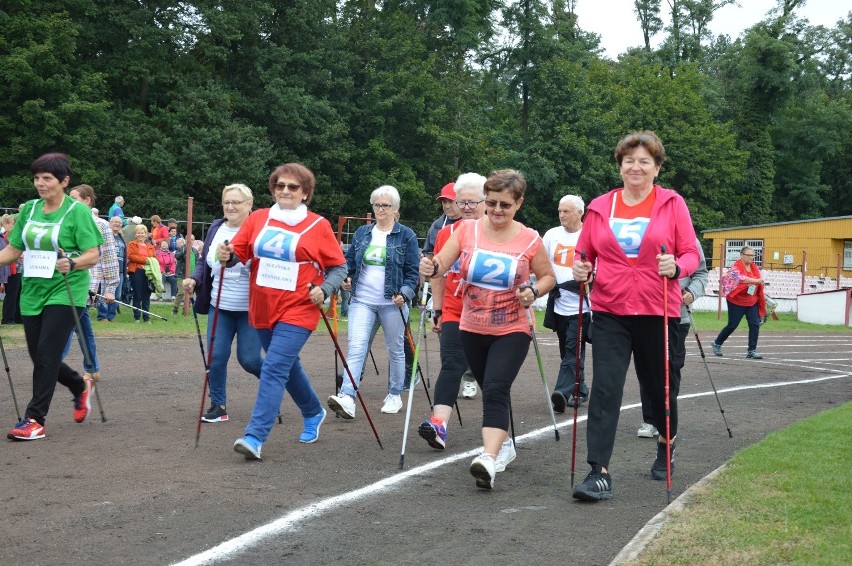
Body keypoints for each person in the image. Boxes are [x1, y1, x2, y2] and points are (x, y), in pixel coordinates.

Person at [570, 131, 700, 501]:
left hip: (657, 309)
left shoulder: (672, 204)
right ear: (620, 165)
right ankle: (599, 471)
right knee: (606, 388)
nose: (636, 167)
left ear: (657, 168)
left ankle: (665, 439)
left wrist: (675, 266)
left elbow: (691, 253)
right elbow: (585, 254)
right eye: (630, 160)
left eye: (645, 161)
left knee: (657, 390)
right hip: (610, 309)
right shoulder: (599, 207)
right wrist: (583, 270)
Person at [420, 169, 556, 489]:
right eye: (492, 203)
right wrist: (432, 266)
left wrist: (534, 292)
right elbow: (441, 261)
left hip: (512, 328)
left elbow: (548, 276)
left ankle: (488, 459)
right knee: (491, 389)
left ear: (518, 203)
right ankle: (504, 445)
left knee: (495, 387)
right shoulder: (468, 230)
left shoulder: (530, 239)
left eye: (504, 205)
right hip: (471, 326)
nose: (496, 211)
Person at [220, 163, 347, 460]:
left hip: (300, 307)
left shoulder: (318, 225)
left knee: (275, 366)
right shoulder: (259, 218)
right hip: (262, 304)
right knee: (288, 366)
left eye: (293, 187)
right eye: (280, 186)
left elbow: (338, 266)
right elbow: (238, 254)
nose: (285, 191)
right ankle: (313, 412)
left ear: (305, 193)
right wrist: (227, 255)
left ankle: (255, 436)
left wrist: (325, 289)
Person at [0, 153, 102, 441]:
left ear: (64, 181)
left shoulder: (77, 212)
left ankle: (34, 419)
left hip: (66, 290)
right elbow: (14, 250)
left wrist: (72, 263)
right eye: (37, 178)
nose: (40, 184)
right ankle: (79, 387)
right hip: (33, 290)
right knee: (39, 355)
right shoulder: (30, 210)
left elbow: (93, 254)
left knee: (47, 353)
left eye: (47, 178)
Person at [327, 185, 420, 418]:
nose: (381, 209)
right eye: (377, 205)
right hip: (362, 300)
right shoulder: (362, 233)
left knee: (396, 349)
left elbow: (413, 272)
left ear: (395, 209)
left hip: (393, 303)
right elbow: (349, 262)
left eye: (386, 205)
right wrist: (346, 278)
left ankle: (394, 393)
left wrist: (406, 293)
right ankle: (348, 396)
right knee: (356, 347)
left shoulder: (406, 235)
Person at [418, 172, 488, 451]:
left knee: (490, 376)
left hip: (489, 314)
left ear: (486, 201)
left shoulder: (497, 230)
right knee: (451, 364)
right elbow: (438, 273)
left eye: (474, 202)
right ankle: (439, 425)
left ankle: (500, 436)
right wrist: (437, 309)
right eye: (463, 202)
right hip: (454, 310)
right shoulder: (445, 233)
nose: (467, 207)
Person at [184, 184, 263, 423]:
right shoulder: (216, 227)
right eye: (227, 202)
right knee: (216, 357)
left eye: (236, 202)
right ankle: (218, 405)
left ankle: (272, 392)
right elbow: (205, 262)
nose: (230, 206)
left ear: (249, 205)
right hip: (220, 305)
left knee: (249, 360)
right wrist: (195, 280)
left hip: (250, 308)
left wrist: (235, 258)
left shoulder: (259, 230)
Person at [638, 239, 708, 438]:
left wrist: (692, 293)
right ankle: (651, 420)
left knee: (672, 366)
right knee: (649, 366)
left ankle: (667, 416)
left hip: (679, 315)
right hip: (648, 312)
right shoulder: (647, 233)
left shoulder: (690, 241)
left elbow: (701, 273)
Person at [422, 181, 478, 399]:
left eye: (451, 201)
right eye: (443, 201)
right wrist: (436, 307)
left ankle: (470, 377)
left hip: (480, 307)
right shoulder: (439, 228)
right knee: (451, 359)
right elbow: (432, 261)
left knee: (479, 360)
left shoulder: (486, 229)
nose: (448, 206)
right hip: (450, 302)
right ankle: (441, 414)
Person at [61, 185, 120, 382]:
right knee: (82, 327)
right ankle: (92, 367)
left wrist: (111, 288)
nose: (69, 202)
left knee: (67, 324)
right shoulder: (66, 221)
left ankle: (53, 365)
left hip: (87, 284)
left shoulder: (101, 225)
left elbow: (110, 258)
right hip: (67, 283)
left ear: (87, 201)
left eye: (74, 198)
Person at [543, 195, 593, 413]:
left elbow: (600, 266)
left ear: (580, 213)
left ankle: (562, 393)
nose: (562, 215)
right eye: (560, 210)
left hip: (582, 306)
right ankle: (580, 390)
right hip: (559, 304)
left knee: (573, 350)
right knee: (568, 352)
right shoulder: (552, 235)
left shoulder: (590, 235)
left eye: (566, 211)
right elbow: (542, 263)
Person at [712, 246, 766, 359]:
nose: (752, 257)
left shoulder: (754, 267)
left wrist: (759, 283)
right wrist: (757, 281)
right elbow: (741, 278)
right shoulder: (735, 267)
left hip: (751, 301)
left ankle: (752, 350)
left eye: (753, 255)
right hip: (736, 301)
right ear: (741, 255)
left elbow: (758, 281)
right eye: (749, 255)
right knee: (732, 325)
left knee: (755, 324)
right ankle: (717, 343)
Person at [97, 217, 127, 321]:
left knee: (117, 295)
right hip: (107, 269)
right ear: (110, 223)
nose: (117, 224)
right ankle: (102, 316)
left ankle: (111, 316)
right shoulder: (106, 235)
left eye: (119, 223)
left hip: (120, 270)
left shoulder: (120, 237)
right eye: (115, 222)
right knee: (105, 294)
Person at [126, 224, 156, 322]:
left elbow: (154, 258)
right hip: (136, 271)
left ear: (146, 234)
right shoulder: (131, 244)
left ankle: (146, 317)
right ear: (135, 234)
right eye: (138, 233)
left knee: (146, 295)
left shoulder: (151, 246)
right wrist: (146, 260)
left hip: (148, 273)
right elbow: (131, 256)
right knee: (137, 294)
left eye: (142, 233)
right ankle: (137, 317)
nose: (140, 235)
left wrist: (148, 261)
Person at [1, 214, 24, 324]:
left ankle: (17, 317)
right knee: (11, 295)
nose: (13, 226)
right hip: (11, 270)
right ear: (5, 224)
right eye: (11, 223)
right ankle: (8, 319)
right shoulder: (6, 237)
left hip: (18, 269)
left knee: (17, 294)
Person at [172, 235, 197, 315]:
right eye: (189, 240)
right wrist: (185, 249)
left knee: (190, 293)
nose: (190, 241)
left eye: (192, 240)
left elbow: (197, 263)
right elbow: (177, 256)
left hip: (191, 275)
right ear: (185, 240)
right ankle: (175, 309)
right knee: (181, 292)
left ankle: (185, 311)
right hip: (181, 275)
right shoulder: (182, 248)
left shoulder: (195, 251)